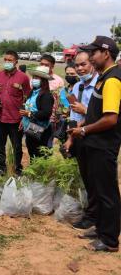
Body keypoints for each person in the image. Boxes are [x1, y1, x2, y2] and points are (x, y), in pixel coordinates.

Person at [68, 36, 121, 252]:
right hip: (94, 143)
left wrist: (84, 129)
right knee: (97, 190)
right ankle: (100, 228)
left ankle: (109, 240)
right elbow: (96, 112)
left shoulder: (113, 80)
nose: (90, 56)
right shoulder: (103, 77)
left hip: (104, 145)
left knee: (107, 193)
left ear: (105, 53)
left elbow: (110, 118)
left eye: (94, 52)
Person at [62, 51, 98, 231]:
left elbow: (102, 116)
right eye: (77, 66)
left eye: (83, 64)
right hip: (80, 137)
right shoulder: (76, 87)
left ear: (92, 63)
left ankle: (96, 216)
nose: (80, 68)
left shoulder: (101, 85)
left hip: (97, 137)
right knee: (86, 176)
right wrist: (70, 140)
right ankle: (92, 214)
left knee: (98, 179)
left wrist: (87, 111)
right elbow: (74, 117)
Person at [0, 50, 31, 174]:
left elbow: (28, 98)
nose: (7, 62)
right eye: (5, 60)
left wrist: (24, 119)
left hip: (16, 120)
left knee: (17, 147)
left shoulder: (23, 78)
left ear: (16, 62)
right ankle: (0, 168)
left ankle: (17, 169)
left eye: (10, 60)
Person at [19, 66, 54, 158]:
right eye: (33, 77)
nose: (34, 80)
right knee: (32, 150)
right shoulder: (33, 93)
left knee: (38, 153)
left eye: (37, 78)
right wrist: (23, 120)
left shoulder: (46, 95)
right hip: (31, 127)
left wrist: (29, 114)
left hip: (39, 128)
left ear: (43, 80)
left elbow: (46, 113)